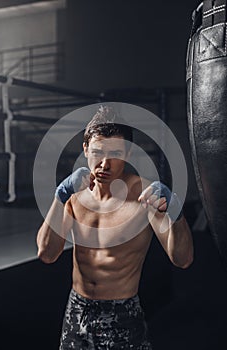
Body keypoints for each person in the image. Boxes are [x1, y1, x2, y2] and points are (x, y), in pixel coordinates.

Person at [37, 106, 194, 349]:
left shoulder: (145, 197)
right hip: (77, 310)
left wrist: (176, 212)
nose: (105, 164)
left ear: (128, 154)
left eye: (115, 154)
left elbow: (182, 259)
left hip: (122, 314)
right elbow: (47, 254)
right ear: (86, 149)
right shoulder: (74, 195)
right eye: (98, 152)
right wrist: (60, 197)